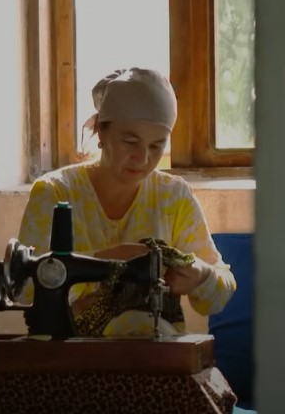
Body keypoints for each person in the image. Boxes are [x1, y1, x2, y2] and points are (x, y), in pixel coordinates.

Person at [17, 67, 236, 336]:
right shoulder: (55, 193)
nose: (143, 158)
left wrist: (202, 274)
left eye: (156, 146)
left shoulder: (173, 197)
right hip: (72, 355)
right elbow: (27, 290)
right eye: (130, 142)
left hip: (156, 354)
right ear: (101, 131)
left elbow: (219, 296)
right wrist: (107, 261)